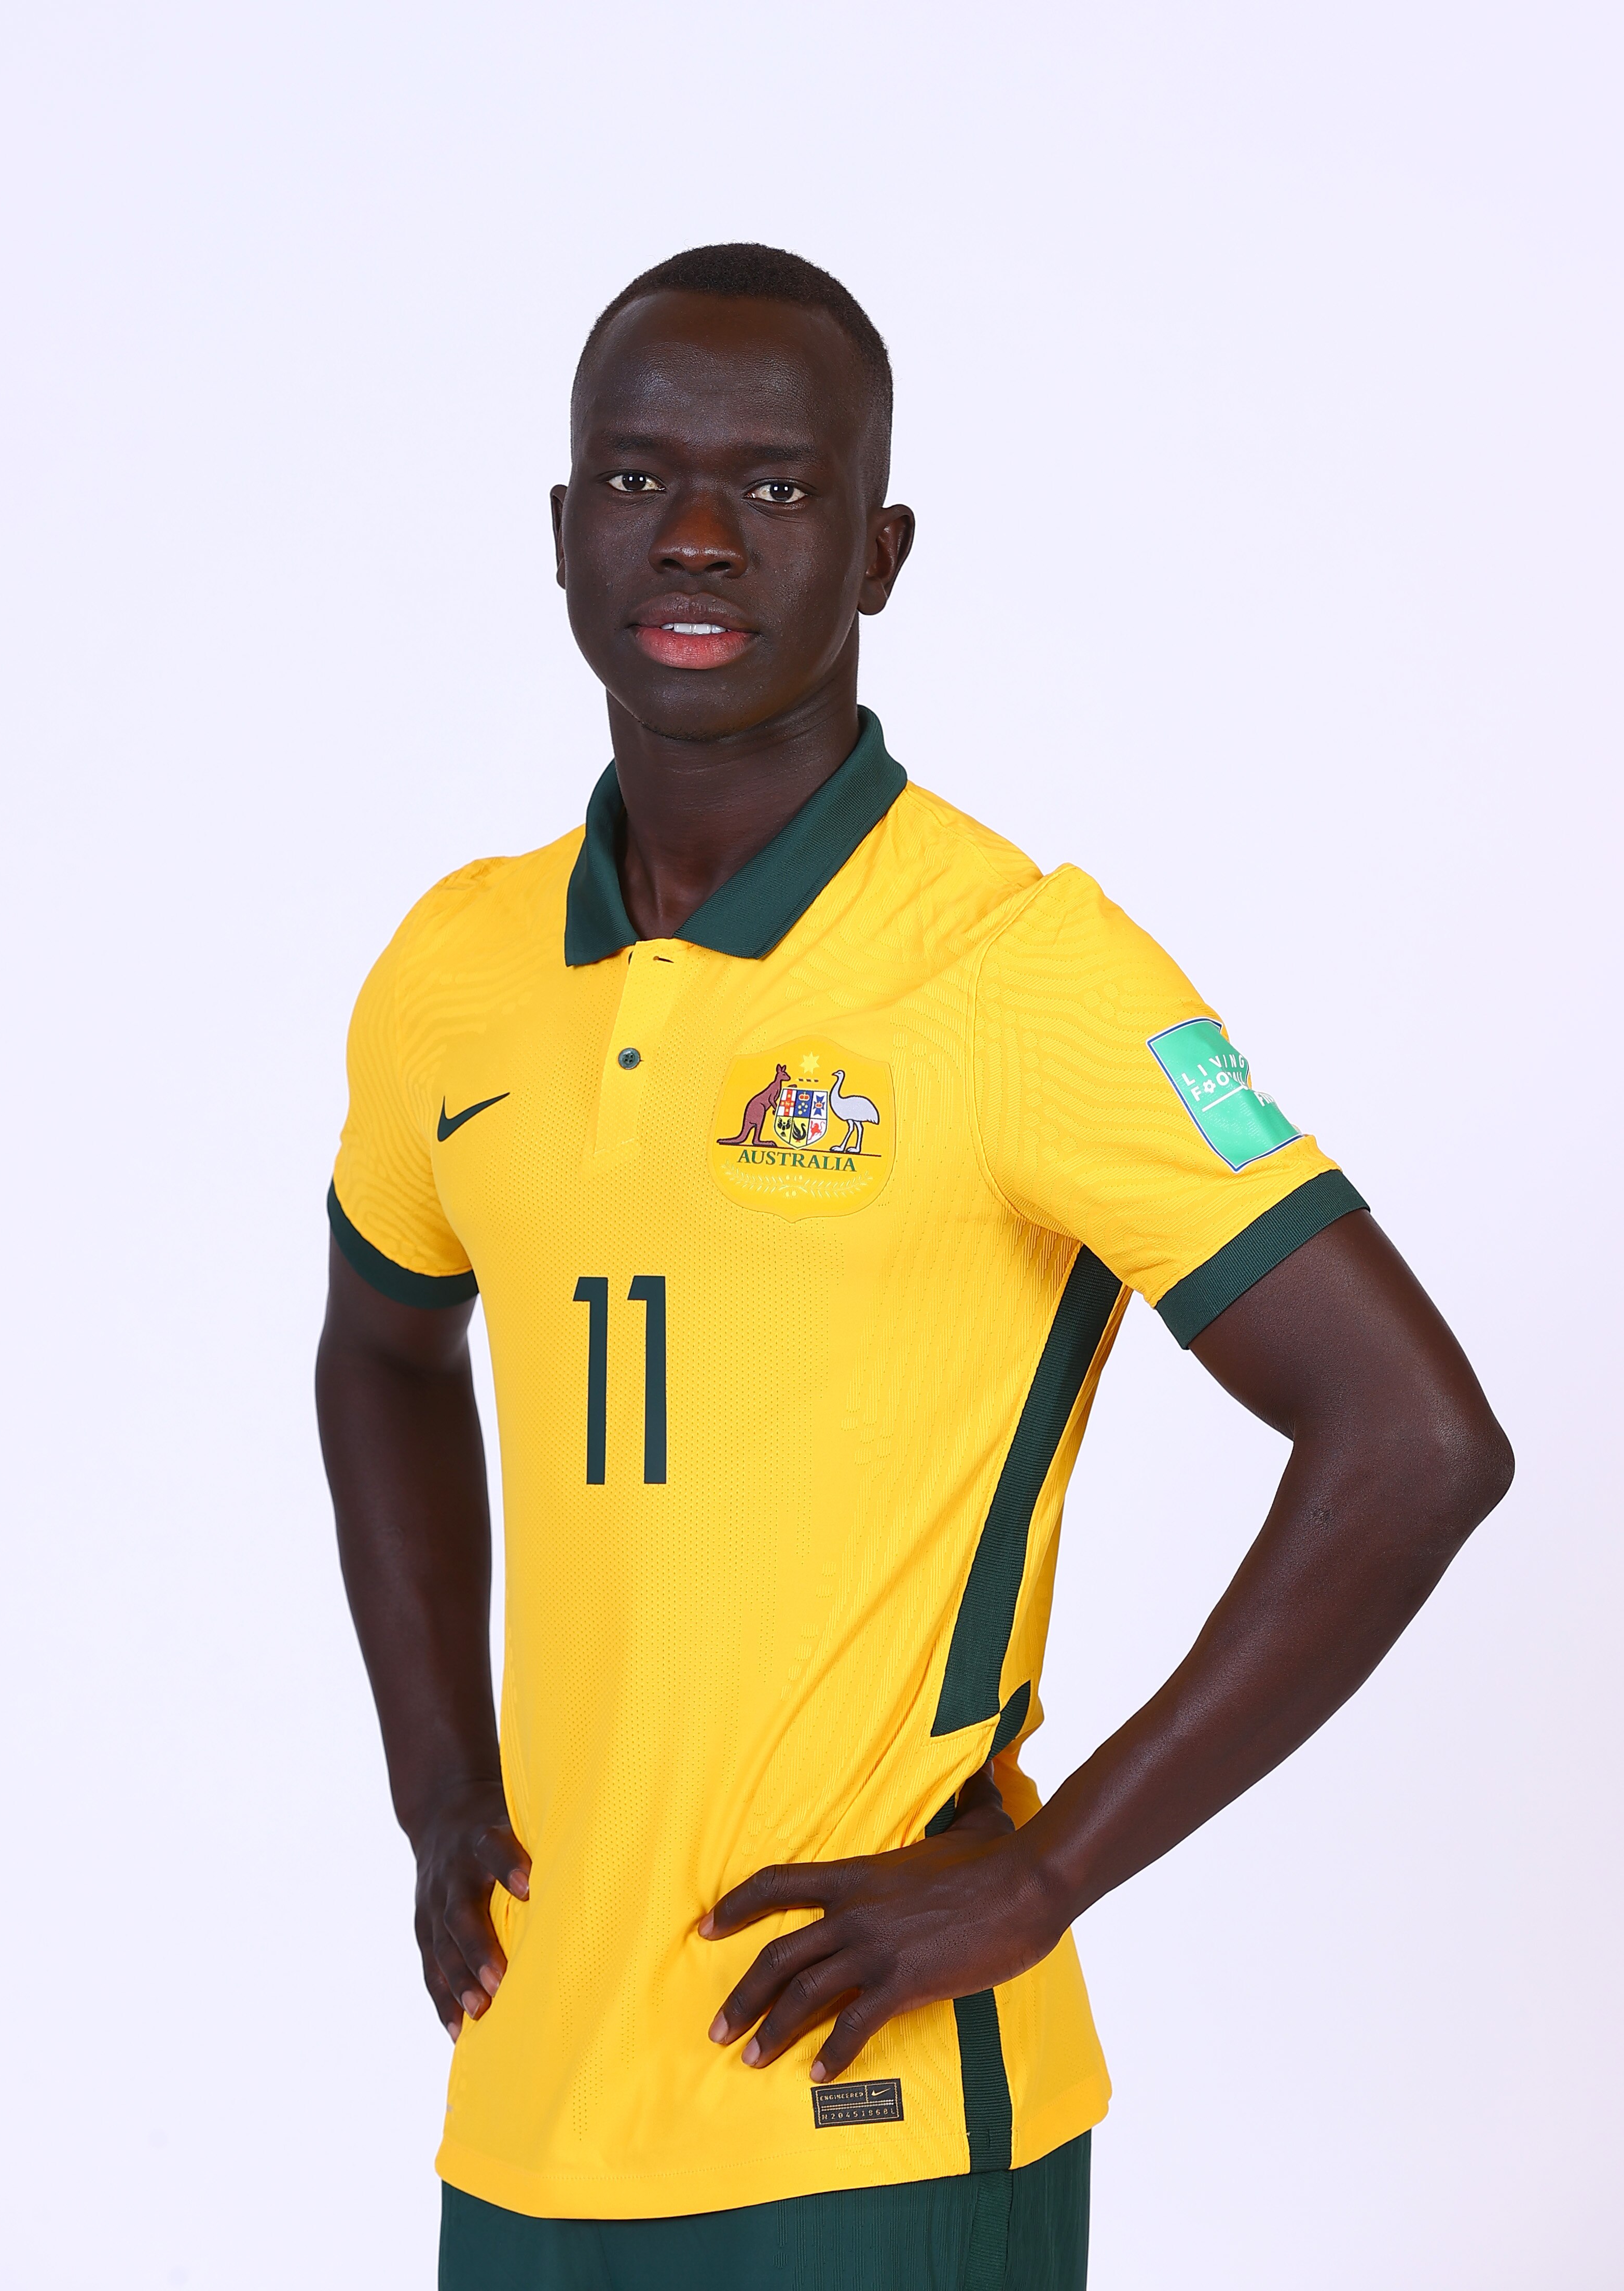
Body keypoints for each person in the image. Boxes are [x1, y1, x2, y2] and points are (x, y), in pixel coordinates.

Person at [315, 243, 1512, 2291]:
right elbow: (384, 1352)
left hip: (872, 2127)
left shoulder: (1025, 973)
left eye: (774, 488)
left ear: (878, 553)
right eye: (636, 477)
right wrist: (443, 1794)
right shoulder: (455, 970)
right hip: (528, 2104)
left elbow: (1415, 1437)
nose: (693, 534)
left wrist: (1042, 1877)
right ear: (560, 530)